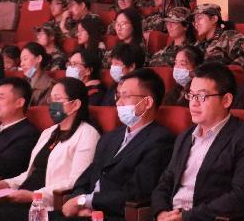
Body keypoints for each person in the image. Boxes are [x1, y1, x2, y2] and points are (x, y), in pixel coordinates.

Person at [0, 78, 101, 220]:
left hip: (44, 202)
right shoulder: (49, 132)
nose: (52, 105)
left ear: (75, 104)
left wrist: (34, 195)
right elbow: (29, 173)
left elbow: (76, 181)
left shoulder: (87, 134)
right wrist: (5, 184)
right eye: (51, 99)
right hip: (22, 194)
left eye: (58, 99)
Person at [151, 62, 244, 221]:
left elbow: (241, 196)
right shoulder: (185, 137)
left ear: (226, 100)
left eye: (202, 96)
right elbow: (165, 182)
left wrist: (186, 217)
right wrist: (161, 212)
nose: (193, 103)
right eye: (191, 95)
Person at [58, 69, 176, 220]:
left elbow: (136, 192)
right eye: (118, 96)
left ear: (147, 102)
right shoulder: (111, 137)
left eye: (125, 96)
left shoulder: (160, 140)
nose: (118, 103)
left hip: (113, 215)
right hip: (84, 213)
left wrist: (86, 202)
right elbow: (86, 179)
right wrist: (79, 203)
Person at [192, 3, 244, 70]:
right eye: (194, 21)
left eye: (199, 18)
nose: (196, 24)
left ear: (214, 19)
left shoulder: (230, 36)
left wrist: (228, 71)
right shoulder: (199, 44)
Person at [20, 42, 56, 106]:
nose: (21, 64)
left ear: (38, 58)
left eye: (25, 59)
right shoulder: (22, 83)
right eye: (21, 60)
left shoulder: (50, 85)